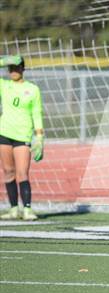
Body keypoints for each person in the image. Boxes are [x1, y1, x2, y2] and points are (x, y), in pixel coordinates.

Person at [0, 55, 44, 220]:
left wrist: (39, 137)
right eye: (10, 67)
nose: (13, 71)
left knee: (22, 173)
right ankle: (13, 209)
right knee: (8, 172)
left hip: (23, 135)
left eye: (17, 67)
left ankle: (27, 209)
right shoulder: (3, 86)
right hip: (4, 133)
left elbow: (37, 114)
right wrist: (2, 61)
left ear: (23, 69)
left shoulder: (32, 89)